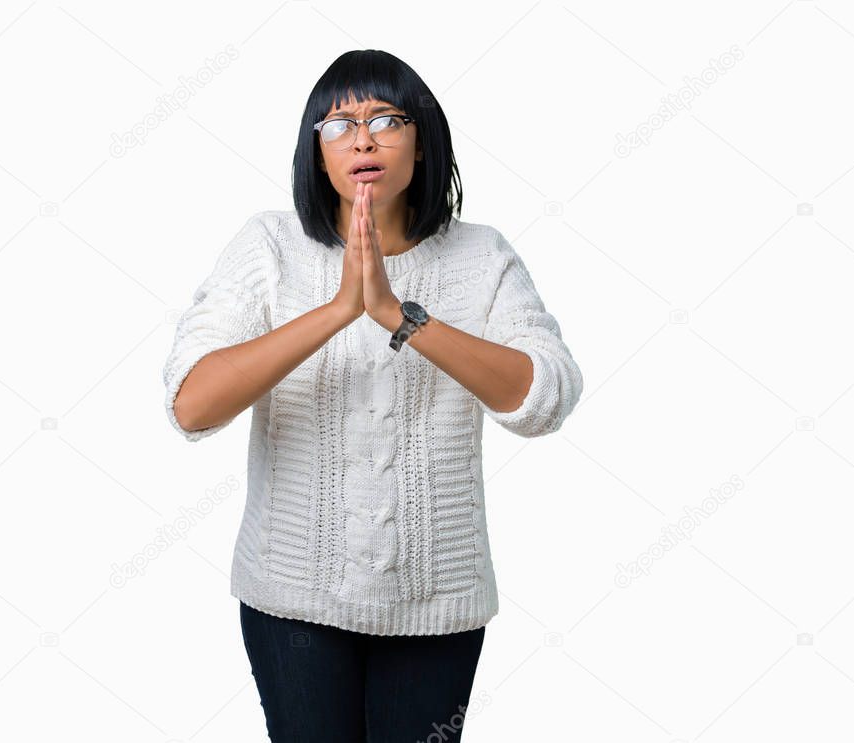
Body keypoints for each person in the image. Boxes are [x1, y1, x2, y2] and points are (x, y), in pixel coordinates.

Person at [161, 49, 584, 743]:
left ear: (422, 142)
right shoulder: (268, 245)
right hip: (293, 604)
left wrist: (398, 315)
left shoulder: (482, 255)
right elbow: (191, 403)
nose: (362, 137)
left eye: (386, 118)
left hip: (437, 607)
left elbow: (546, 396)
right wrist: (339, 309)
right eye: (338, 124)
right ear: (316, 154)